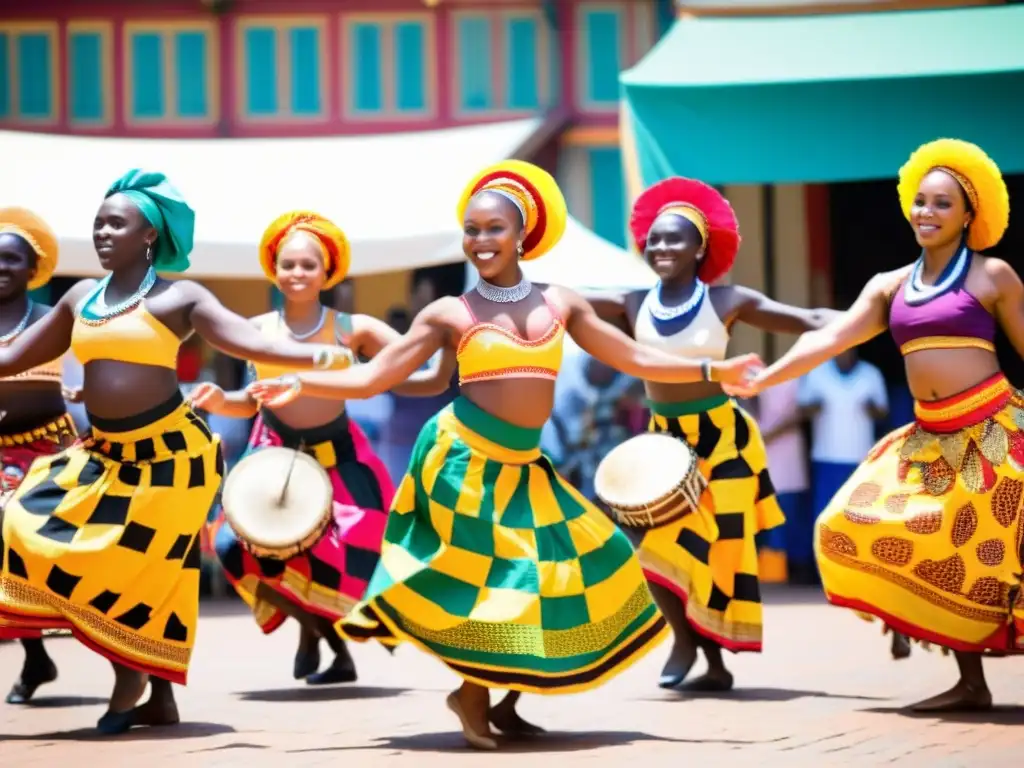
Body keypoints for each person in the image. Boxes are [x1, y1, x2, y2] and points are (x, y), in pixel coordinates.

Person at [249, 160, 763, 749]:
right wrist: (304, 384)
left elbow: (633, 357)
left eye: (494, 228)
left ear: (522, 234)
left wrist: (711, 368)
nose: (481, 240)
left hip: (525, 466)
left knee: (570, 569)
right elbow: (374, 378)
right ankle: (471, 695)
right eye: (471, 230)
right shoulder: (449, 313)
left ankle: (508, 697)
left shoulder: (562, 302)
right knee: (495, 582)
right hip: (461, 460)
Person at [0, 170, 352, 734]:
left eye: (118, 223)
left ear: (149, 235)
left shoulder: (178, 296)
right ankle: (157, 694)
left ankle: (129, 681)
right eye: (98, 222)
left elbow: (252, 341)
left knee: (134, 569)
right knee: (22, 520)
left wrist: (323, 360)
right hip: (104, 457)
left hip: (171, 459)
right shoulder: (78, 297)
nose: (102, 232)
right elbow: (12, 356)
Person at [736, 139, 1022, 711]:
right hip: (930, 438)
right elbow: (830, 338)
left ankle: (971, 679)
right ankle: (969, 682)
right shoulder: (890, 285)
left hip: (993, 431)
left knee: (1004, 554)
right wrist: (763, 379)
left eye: (943, 204)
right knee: (848, 524)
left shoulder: (994, 276)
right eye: (920, 201)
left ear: (970, 214)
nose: (927, 213)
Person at [586, 177, 839, 692]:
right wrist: (509, 287)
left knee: (713, 549)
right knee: (653, 546)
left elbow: (811, 318)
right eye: (653, 238)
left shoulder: (726, 300)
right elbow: (563, 301)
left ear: (701, 246)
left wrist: (891, 311)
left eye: (674, 238)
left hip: (723, 441)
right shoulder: (633, 303)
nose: (660, 247)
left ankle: (708, 654)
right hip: (662, 445)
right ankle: (693, 646)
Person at [195, 211, 454, 685]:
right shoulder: (253, 330)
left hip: (339, 459)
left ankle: (329, 642)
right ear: (273, 268)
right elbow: (247, 403)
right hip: (271, 456)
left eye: (308, 265)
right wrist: (220, 401)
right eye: (288, 264)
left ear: (327, 271)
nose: (297, 273)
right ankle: (317, 632)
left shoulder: (354, 328)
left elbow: (418, 373)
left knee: (351, 556)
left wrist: (451, 348)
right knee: (234, 545)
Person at [0, 208, 79, 705]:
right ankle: (34, 656)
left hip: (49, 448)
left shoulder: (54, 321)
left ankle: (125, 656)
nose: (0, 266)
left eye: (12, 258)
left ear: (34, 268)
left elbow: (98, 363)